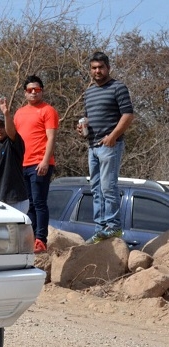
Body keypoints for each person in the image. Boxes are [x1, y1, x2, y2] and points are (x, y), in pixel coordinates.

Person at [77, 51, 134, 244]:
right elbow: (88, 117)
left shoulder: (118, 87)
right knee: (96, 188)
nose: (97, 71)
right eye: (94, 68)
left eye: (101, 67)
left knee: (108, 186)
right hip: (92, 146)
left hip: (109, 145)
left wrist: (113, 136)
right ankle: (100, 228)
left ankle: (113, 226)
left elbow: (128, 115)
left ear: (108, 68)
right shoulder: (89, 92)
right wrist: (82, 128)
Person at [14, 75, 59, 253]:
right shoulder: (19, 113)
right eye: (30, 90)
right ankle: (31, 238)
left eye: (37, 89)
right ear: (25, 93)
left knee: (39, 202)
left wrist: (45, 161)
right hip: (22, 164)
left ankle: (41, 239)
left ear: (42, 91)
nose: (33, 92)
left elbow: (51, 137)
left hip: (39, 163)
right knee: (29, 204)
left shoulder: (48, 110)